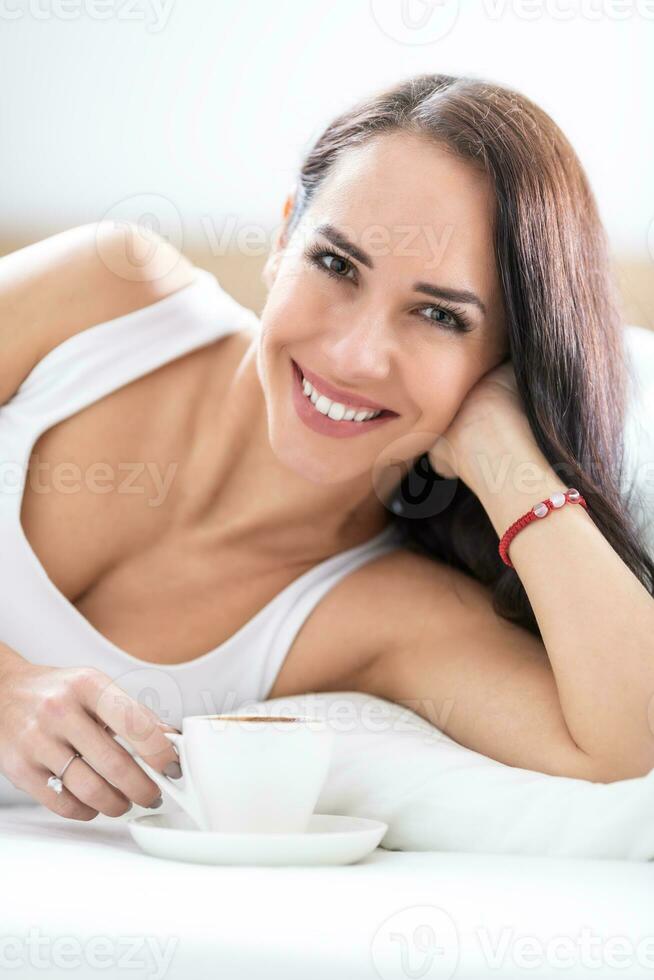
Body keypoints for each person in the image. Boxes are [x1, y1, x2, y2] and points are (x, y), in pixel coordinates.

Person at [1, 72, 653, 824]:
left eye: (439, 316)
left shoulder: (381, 613)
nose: (355, 354)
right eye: (337, 264)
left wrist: (510, 465)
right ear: (283, 240)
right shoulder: (106, 300)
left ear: (503, 362)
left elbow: (632, 746)